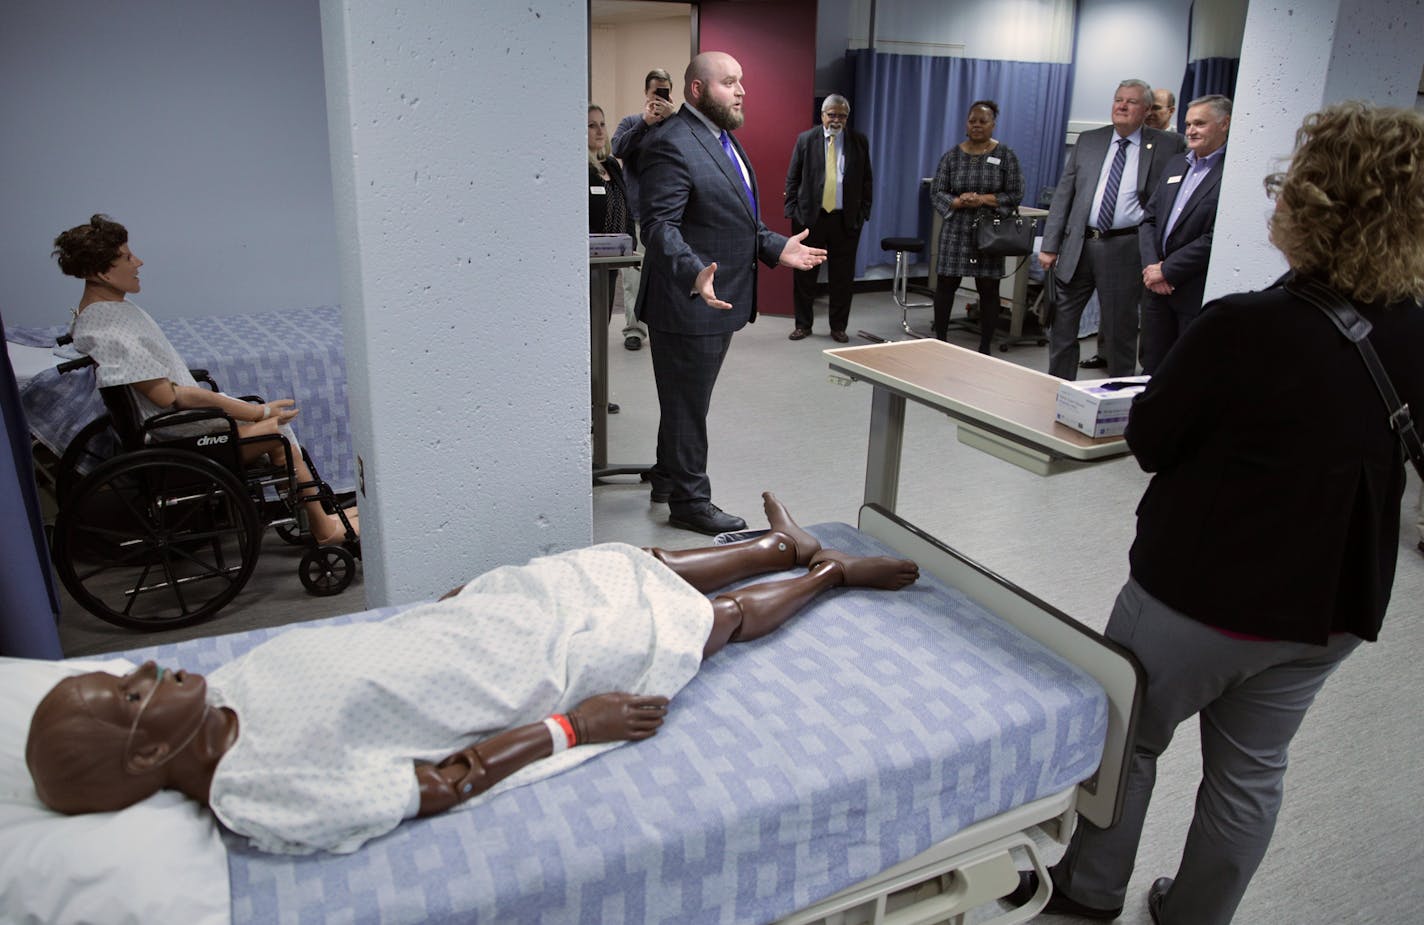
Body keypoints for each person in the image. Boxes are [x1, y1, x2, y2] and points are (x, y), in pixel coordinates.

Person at [1008, 102, 1424, 924]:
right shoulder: (1414, 332)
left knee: (1128, 741)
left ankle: (1088, 892)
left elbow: (1156, 439)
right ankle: (1196, 913)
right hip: (1329, 609)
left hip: (1198, 598)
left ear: (1301, 203)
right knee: (1252, 772)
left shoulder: (1242, 324)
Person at [26, 493, 919, 855]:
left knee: (613, 558)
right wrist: (579, 725)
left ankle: (774, 543)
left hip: (469, 625)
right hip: (517, 675)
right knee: (694, 625)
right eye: (135, 691)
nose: (149, 664)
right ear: (146, 756)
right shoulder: (256, 793)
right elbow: (437, 782)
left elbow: (357, 651)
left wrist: (444, 605)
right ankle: (827, 573)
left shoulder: (227, 688)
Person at [53, 215, 357, 547]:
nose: (138, 261)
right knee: (277, 433)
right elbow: (171, 397)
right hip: (176, 436)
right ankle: (324, 529)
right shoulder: (111, 330)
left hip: (175, 429)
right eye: (127, 257)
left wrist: (249, 412)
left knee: (275, 427)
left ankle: (321, 518)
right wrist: (253, 413)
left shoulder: (104, 312)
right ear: (101, 272)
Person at [634, 51, 826, 535]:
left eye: (742, 81)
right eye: (729, 82)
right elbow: (657, 225)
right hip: (687, 302)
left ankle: (666, 478)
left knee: (685, 400)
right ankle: (690, 502)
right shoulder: (671, 142)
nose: (742, 91)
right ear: (698, 90)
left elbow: (738, 220)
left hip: (715, 302)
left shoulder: (722, 141)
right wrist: (693, 270)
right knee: (687, 405)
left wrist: (777, 247)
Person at [1040, 80, 1185, 380]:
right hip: (1078, 245)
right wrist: (1050, 244)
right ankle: (1058, 388)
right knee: (1062, 326)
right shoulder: (1090, 140)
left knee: (1120, 329)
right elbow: (1064, 194)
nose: (1121, 106)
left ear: (1146, 110)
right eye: (1118, 99)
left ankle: (1119, 396)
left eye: (1131, 102)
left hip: (1124, 247)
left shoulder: (1167, 145)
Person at [1137, 95, 1230, 373]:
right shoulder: (1177, 164)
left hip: (1190, 290)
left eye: (1200, 124)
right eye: (1189, 124)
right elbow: (1149, 220)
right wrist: (1153, 268)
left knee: (1184, 372)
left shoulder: (1232, 172)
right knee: (1151, 367)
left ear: (1225, 124)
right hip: (1156, 289)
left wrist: (1169, 270)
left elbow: (1218, 235)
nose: (1190, 130)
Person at [929, 100, 1025, 353]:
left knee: (988, 287)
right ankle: (940, 340)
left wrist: (982, 199)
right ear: (966, 123)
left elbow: (1015, 194)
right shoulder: (951, 156)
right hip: (956, 228)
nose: (977, 126)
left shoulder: (1005, 155)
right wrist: (959, 201)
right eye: (973, 121)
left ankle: (985, 346)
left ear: (993, 124)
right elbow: (937, 191)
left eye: (983, 121)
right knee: (946, 283)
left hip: (989, 230)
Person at [783, 94, 873, 343]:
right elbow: (793, 177)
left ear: (847, 117)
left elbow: (867, 179)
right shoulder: (806, 140)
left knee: (842, 278)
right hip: (810, 219)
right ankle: (803, 324)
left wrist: (864, 212)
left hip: (846, 220)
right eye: (831, 114)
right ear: (822, 115)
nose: (836, 119)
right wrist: (792, 210)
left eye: (841, 115)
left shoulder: (858, 141)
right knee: (805, 275)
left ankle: (838, 327)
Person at [611, 68, 676, 352]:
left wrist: (672, 120)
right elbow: (617, 149)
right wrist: (645, 124)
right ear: (646, 94)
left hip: (669, 216)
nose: (659, 98)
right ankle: (634, 330)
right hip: (636, 213)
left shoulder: (677, 125)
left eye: (665, 92)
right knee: (634, 279)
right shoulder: (631, 122)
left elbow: (688, 152)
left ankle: (667, 328)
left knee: (668, 276)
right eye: (655, 93)